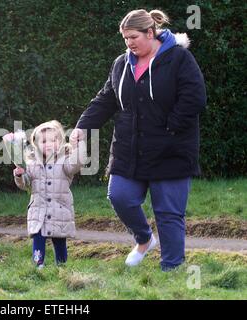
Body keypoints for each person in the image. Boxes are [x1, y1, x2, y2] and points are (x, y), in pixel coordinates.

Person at [70, 9, 207, 271]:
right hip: (128, 149)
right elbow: (106, 99)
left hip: (171, 149)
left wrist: (170, 127)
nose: (129, 43)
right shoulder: (121, 63)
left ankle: (172, 268)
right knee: (120, 196)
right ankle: (144, 239)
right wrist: (82, 126)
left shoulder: (179, 58)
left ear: (150, 32)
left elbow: (195, 97)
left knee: (168, 214)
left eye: (133, 37)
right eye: (125, 39)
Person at [13, 120, 86, 268]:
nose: (49, 144)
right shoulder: (32, 163)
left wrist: (79, 145)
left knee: (59, 240)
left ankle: (62, 265)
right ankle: (38, 264)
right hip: (39, 209)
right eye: (44, 141)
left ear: (60, 142)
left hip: (59, 209)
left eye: (54, 140)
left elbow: (77, 163)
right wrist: (20, 176)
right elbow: (27, 184)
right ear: (36, 144)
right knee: (38, 237)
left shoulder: (65, 162)